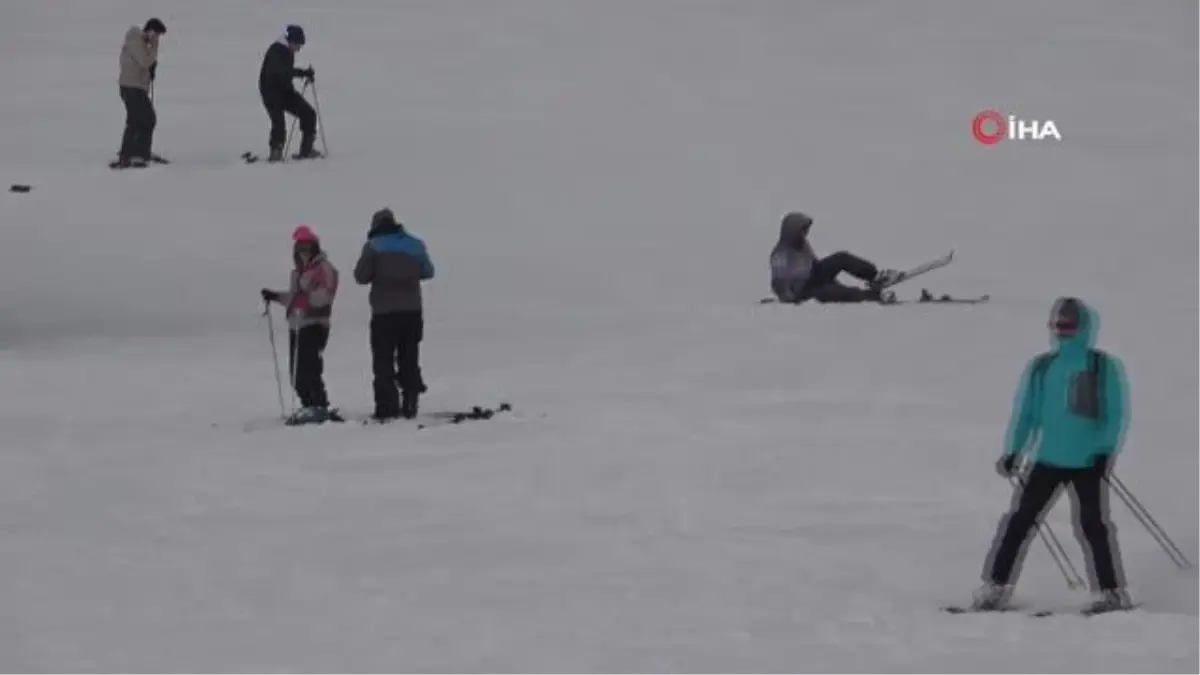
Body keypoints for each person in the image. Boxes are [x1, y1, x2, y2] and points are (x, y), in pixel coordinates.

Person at [972, 297, 1132, 613]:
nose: (1062, 333)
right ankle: (995, 588)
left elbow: (1115, 414)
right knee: (1018, 522)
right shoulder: (1042, 367)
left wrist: (1105, 450)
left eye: (1069, 327)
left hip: (1087, 462)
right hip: (1047, 460)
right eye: (1058, 326)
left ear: (1084, 328)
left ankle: (1112, 593)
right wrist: (1014, 451)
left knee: (1093, 526)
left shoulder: (1102, 366)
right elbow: (1027, 414)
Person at [353, 209, 435, 421]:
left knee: (383, 360)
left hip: (384, 313)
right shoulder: (415, 244)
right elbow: (428, 271)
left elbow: (361, 276)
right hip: (412, 311)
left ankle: (386, 407)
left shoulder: (373, 246)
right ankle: (410, 402)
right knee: (409, 356)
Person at [261, 225, 341, 424]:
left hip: (315, 323)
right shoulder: (298, 272)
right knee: (297, 372)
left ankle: (319, 405)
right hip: (297, 323)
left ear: (314, 246)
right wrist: (276, 296)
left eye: (306, 246)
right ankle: (308, 405)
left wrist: (305, 301)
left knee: (309, 368)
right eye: (299, 247)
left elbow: (325, 295)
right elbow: (295, 298)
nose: (303, 251)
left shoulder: (324, 268)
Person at [769, 211, 901, 304]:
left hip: (812, 279)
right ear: (792, 232)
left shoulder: (802, 245)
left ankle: (875, 276)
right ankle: (873, 297)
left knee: (841, 258)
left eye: (806, 230)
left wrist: (830, 277)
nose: (806, 234)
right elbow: (778, 282)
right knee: (829, 292)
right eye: (802, 230)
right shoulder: (780, 254)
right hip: (801, 291)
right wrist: (789, 297)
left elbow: (815, 265)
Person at [258, 25, 319, 162]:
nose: (298, 48)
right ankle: (276, 154)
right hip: (270, 94)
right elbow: (281, 72)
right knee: (279, 124)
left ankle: (307, 151)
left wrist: (302, 74)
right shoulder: (276, 51)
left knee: (308, 114)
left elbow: (286, 74)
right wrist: (301, 73)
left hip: (285, 91)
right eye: (297, 44)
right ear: (290, 41)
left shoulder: (287, 51)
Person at [116, 18, 166, 168]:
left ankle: (141, 152)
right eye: (156, 35)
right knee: (137, 120)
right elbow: (144, 61)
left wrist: (150, 72)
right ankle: (127, 155)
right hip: (130, 87)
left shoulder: (142, 43)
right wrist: (154, 47)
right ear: (150, 31)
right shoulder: (135, 39)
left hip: (137, 87)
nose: (156, 38)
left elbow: (144, 64)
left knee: (147, 119)